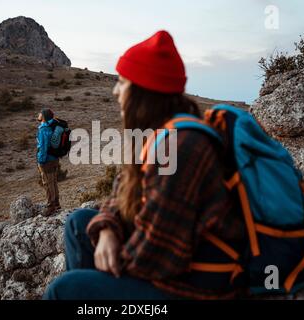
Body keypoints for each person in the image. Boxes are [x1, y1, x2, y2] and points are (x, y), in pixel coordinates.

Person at [42, 31, 246, 300]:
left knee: (64, 290)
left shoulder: (181, 146)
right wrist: (106, 230)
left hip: (196, 286)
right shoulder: (153, 136)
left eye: (123, 83)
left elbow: (158, 255)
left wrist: (101, 276)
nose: (115, 91)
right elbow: (117, 197)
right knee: (78, 223)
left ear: (144, 92)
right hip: (174, 263)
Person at [37, 108, 61, 215]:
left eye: (40, 113)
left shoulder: (43, 129)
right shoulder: (53, 126)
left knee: (47, 183)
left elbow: (43, 147)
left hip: (47, 160)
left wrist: (41, 161)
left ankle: (50, 206)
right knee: (53, 182)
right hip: (55, 158)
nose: (38, 114)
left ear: (44, 117)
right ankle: (56, 203)